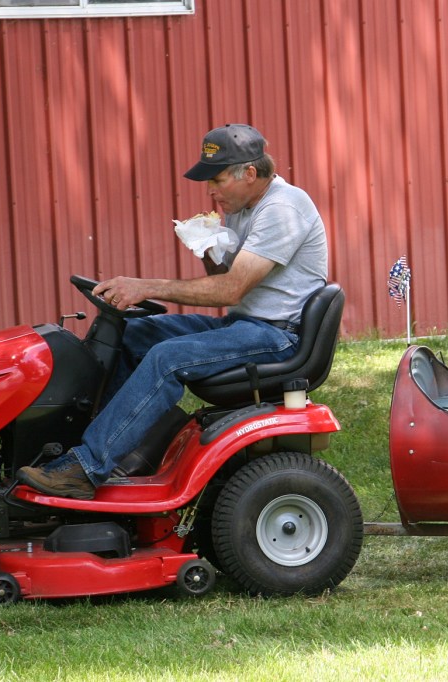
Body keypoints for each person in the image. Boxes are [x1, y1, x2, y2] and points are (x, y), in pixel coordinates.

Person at [16, 123, 328, 499]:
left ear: (250, 173)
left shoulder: (282, 208)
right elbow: (228, 281)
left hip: (278, 336)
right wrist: (209, 248)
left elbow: (230, 289)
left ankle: (85, 468)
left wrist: (143, 286)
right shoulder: (243, 205)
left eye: (218, 180)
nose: (211, 192)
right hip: (245, 323)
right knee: (134, 335)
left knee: (167, 357)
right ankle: (108, 448)